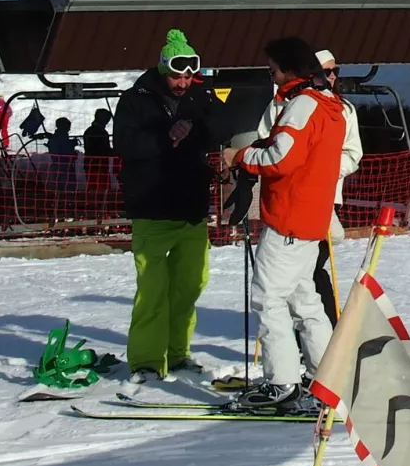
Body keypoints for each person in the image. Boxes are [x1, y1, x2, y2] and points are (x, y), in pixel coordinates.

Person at [225, 36, 347, 410]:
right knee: (305, 300)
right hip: (309, 217)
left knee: (269, 299)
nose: (273, 77)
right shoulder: (330, 104)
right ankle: (327, 378)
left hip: (289, 218)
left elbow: (282, 157)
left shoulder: (302, 104)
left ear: (291, 69)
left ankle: (281, 383)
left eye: (274, 70)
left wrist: (240, 156)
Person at [114, 29, 217, 382]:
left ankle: (177, 353)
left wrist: (198, 128)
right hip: (151, 208)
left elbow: (221, 128)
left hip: (191, 210)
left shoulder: (200, 96)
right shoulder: (135, 99)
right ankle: (145, 360)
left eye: (188, 75)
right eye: (177, 74)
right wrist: (165, 135)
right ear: (162, 69)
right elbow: (124, 144)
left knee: (190, 286)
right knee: (153, 291)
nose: (183, 82)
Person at [311, 50, 362, 323]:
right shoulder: (283, 104)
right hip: (289, 200)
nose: (331, 77)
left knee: (314, 266)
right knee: (294, 271)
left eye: (335, 71)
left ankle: (327, 325)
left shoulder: (344, 109)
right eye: (325, 71)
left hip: (324, 197)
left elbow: (353, 153)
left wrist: (324, 170)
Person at [47, 117, 80, 190]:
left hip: (56, 166)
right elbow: (67, 154)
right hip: (65, 167)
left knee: (58, 189)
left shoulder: (54, 138)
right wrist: (74, 152)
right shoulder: (63, 138)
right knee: (67, 189)